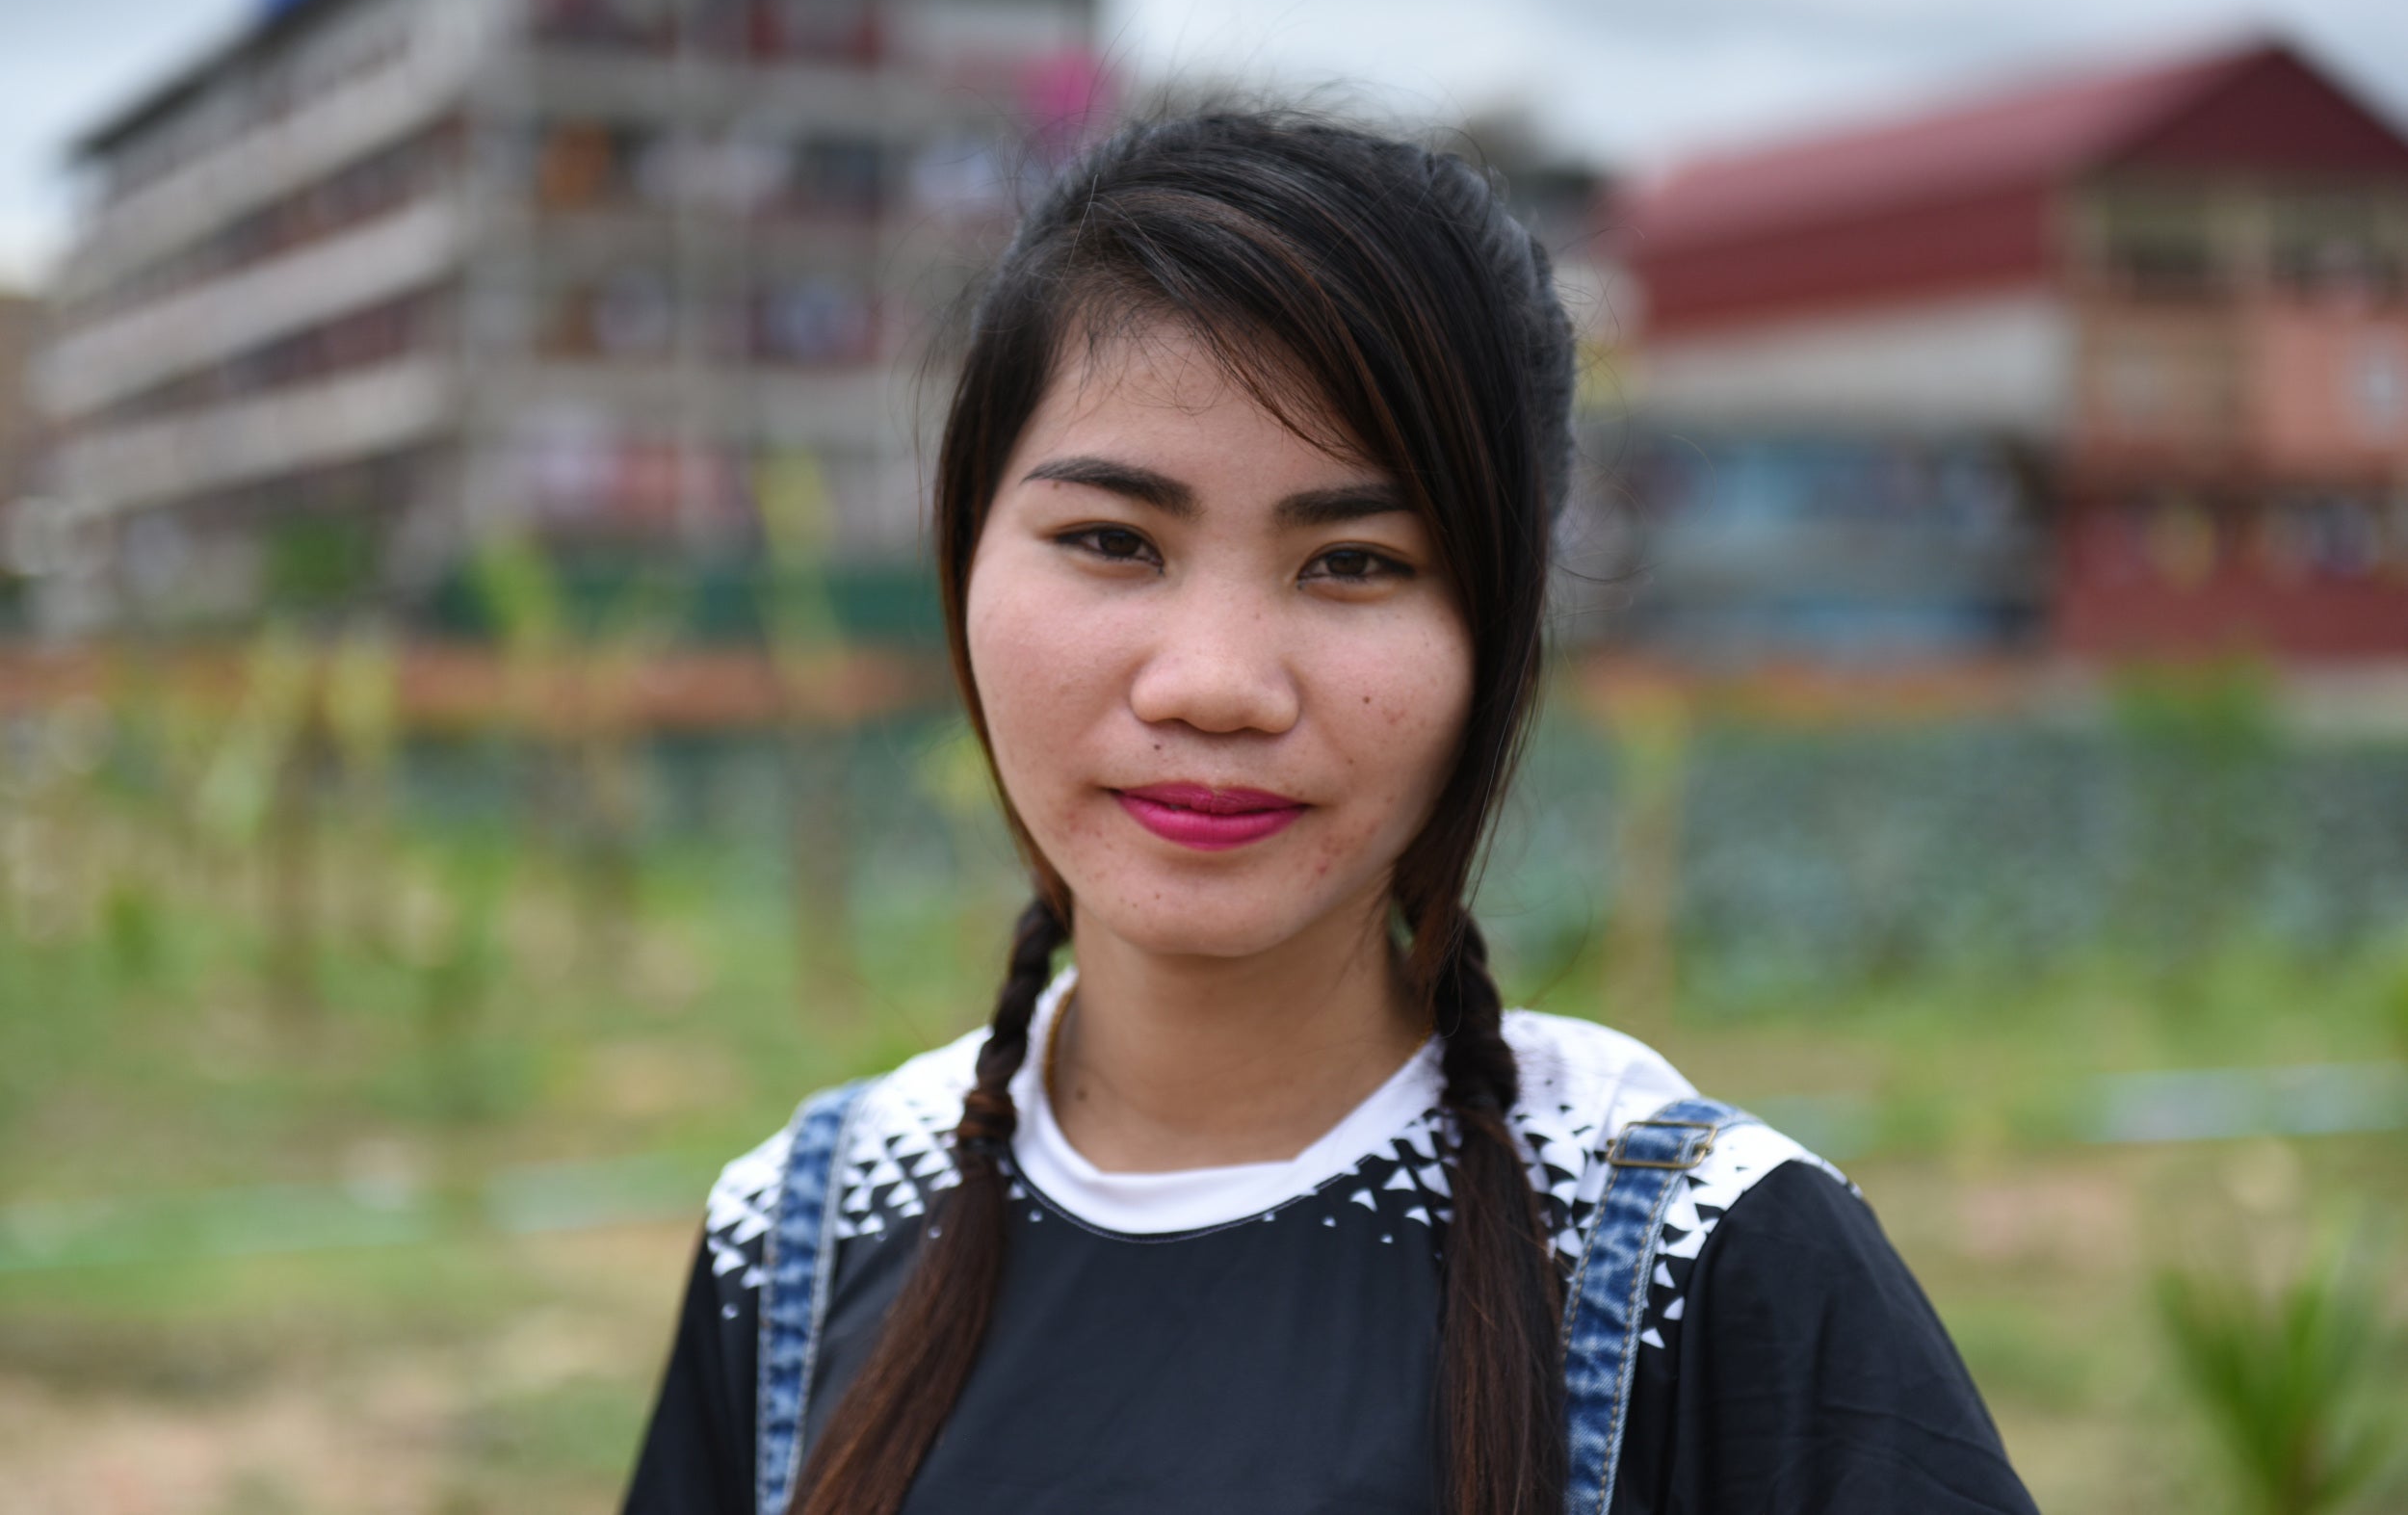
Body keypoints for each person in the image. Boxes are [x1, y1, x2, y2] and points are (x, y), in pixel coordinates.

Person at [620, 110, 2039, 1515]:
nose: (1216, 685)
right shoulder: (800, 1237)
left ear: (1499, 630)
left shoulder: (1694, 1258)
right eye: (1112, 541)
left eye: (1354, 562)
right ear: (964, 556)